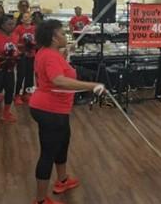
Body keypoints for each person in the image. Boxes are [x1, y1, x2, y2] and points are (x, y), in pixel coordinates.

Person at [29, 19, 105, 204]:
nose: (65, 36)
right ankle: (40, 200)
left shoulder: (48, 52)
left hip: (56, 110)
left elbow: (54, 67)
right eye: (62, 33)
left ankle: (62, 180)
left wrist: (64, 53)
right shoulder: (50, 56)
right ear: (54, 38)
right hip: (50, 110)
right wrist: (91, 85)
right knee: (48, 153)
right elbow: (58, 80)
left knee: (62, 144)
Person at [14, 12, 36, 105]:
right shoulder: (18, 28)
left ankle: (27, 93)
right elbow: (15, 42)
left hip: (32, 55)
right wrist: (24, 45)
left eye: (29, 17)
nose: (28, 18)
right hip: (21, 54)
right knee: (21, 74)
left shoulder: (34, 28)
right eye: (25, 17)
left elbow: (37, 41)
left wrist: (33, 44)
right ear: (22, 19)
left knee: (30, 75)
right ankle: (17, 95)